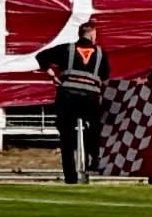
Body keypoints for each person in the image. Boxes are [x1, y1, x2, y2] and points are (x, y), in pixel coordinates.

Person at [37, 19, 110, 184]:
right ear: (92, 35)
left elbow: (41, 56)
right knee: (94, 129)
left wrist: (52, 74)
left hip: (67, 96)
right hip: (90, 98)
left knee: (66, 137)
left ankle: (70, 177)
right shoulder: (100, 53)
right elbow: (105, 75)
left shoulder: (67, 49)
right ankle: (94, 159)